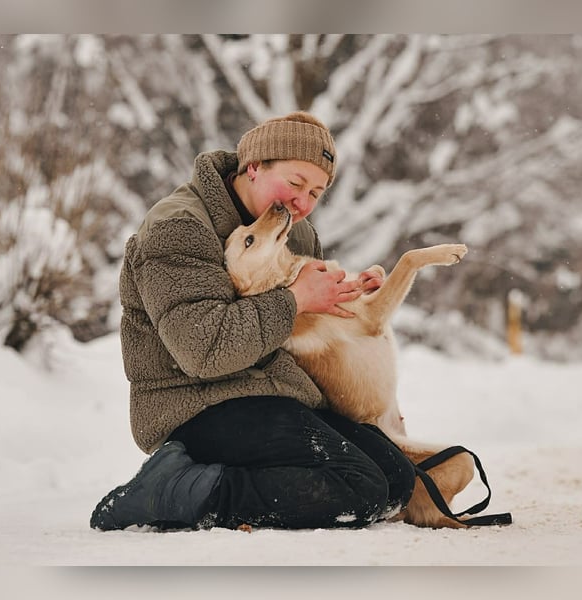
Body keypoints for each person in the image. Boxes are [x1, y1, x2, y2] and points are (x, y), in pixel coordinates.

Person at [90, 111, 416, 531]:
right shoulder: (179, 227)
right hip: (196, 405)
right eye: (296, 183)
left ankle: (222, 484)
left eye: (316, 192)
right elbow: (201, 350)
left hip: (272, 395)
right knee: (360, 488)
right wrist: (296, 300)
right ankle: (180, 488)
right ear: (254, 167)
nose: (303, 203)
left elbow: (308, 336)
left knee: (394, 477)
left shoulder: (295, 232)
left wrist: (354, 299)